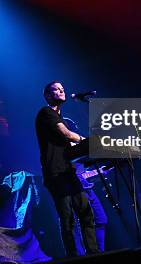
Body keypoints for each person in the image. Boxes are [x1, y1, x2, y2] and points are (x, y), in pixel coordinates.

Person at [35, 81, 99, 257]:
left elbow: (70, 144)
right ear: (48, 95)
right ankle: (73, 256)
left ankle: (93, 253)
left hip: (68, 172)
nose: (61, 90)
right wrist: (87, 141)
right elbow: (66, 134)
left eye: (62, 88)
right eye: (56, 89)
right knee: (68, 218)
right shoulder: (46, 113)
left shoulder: (59, 117)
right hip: (55, 174)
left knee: (86, 213)